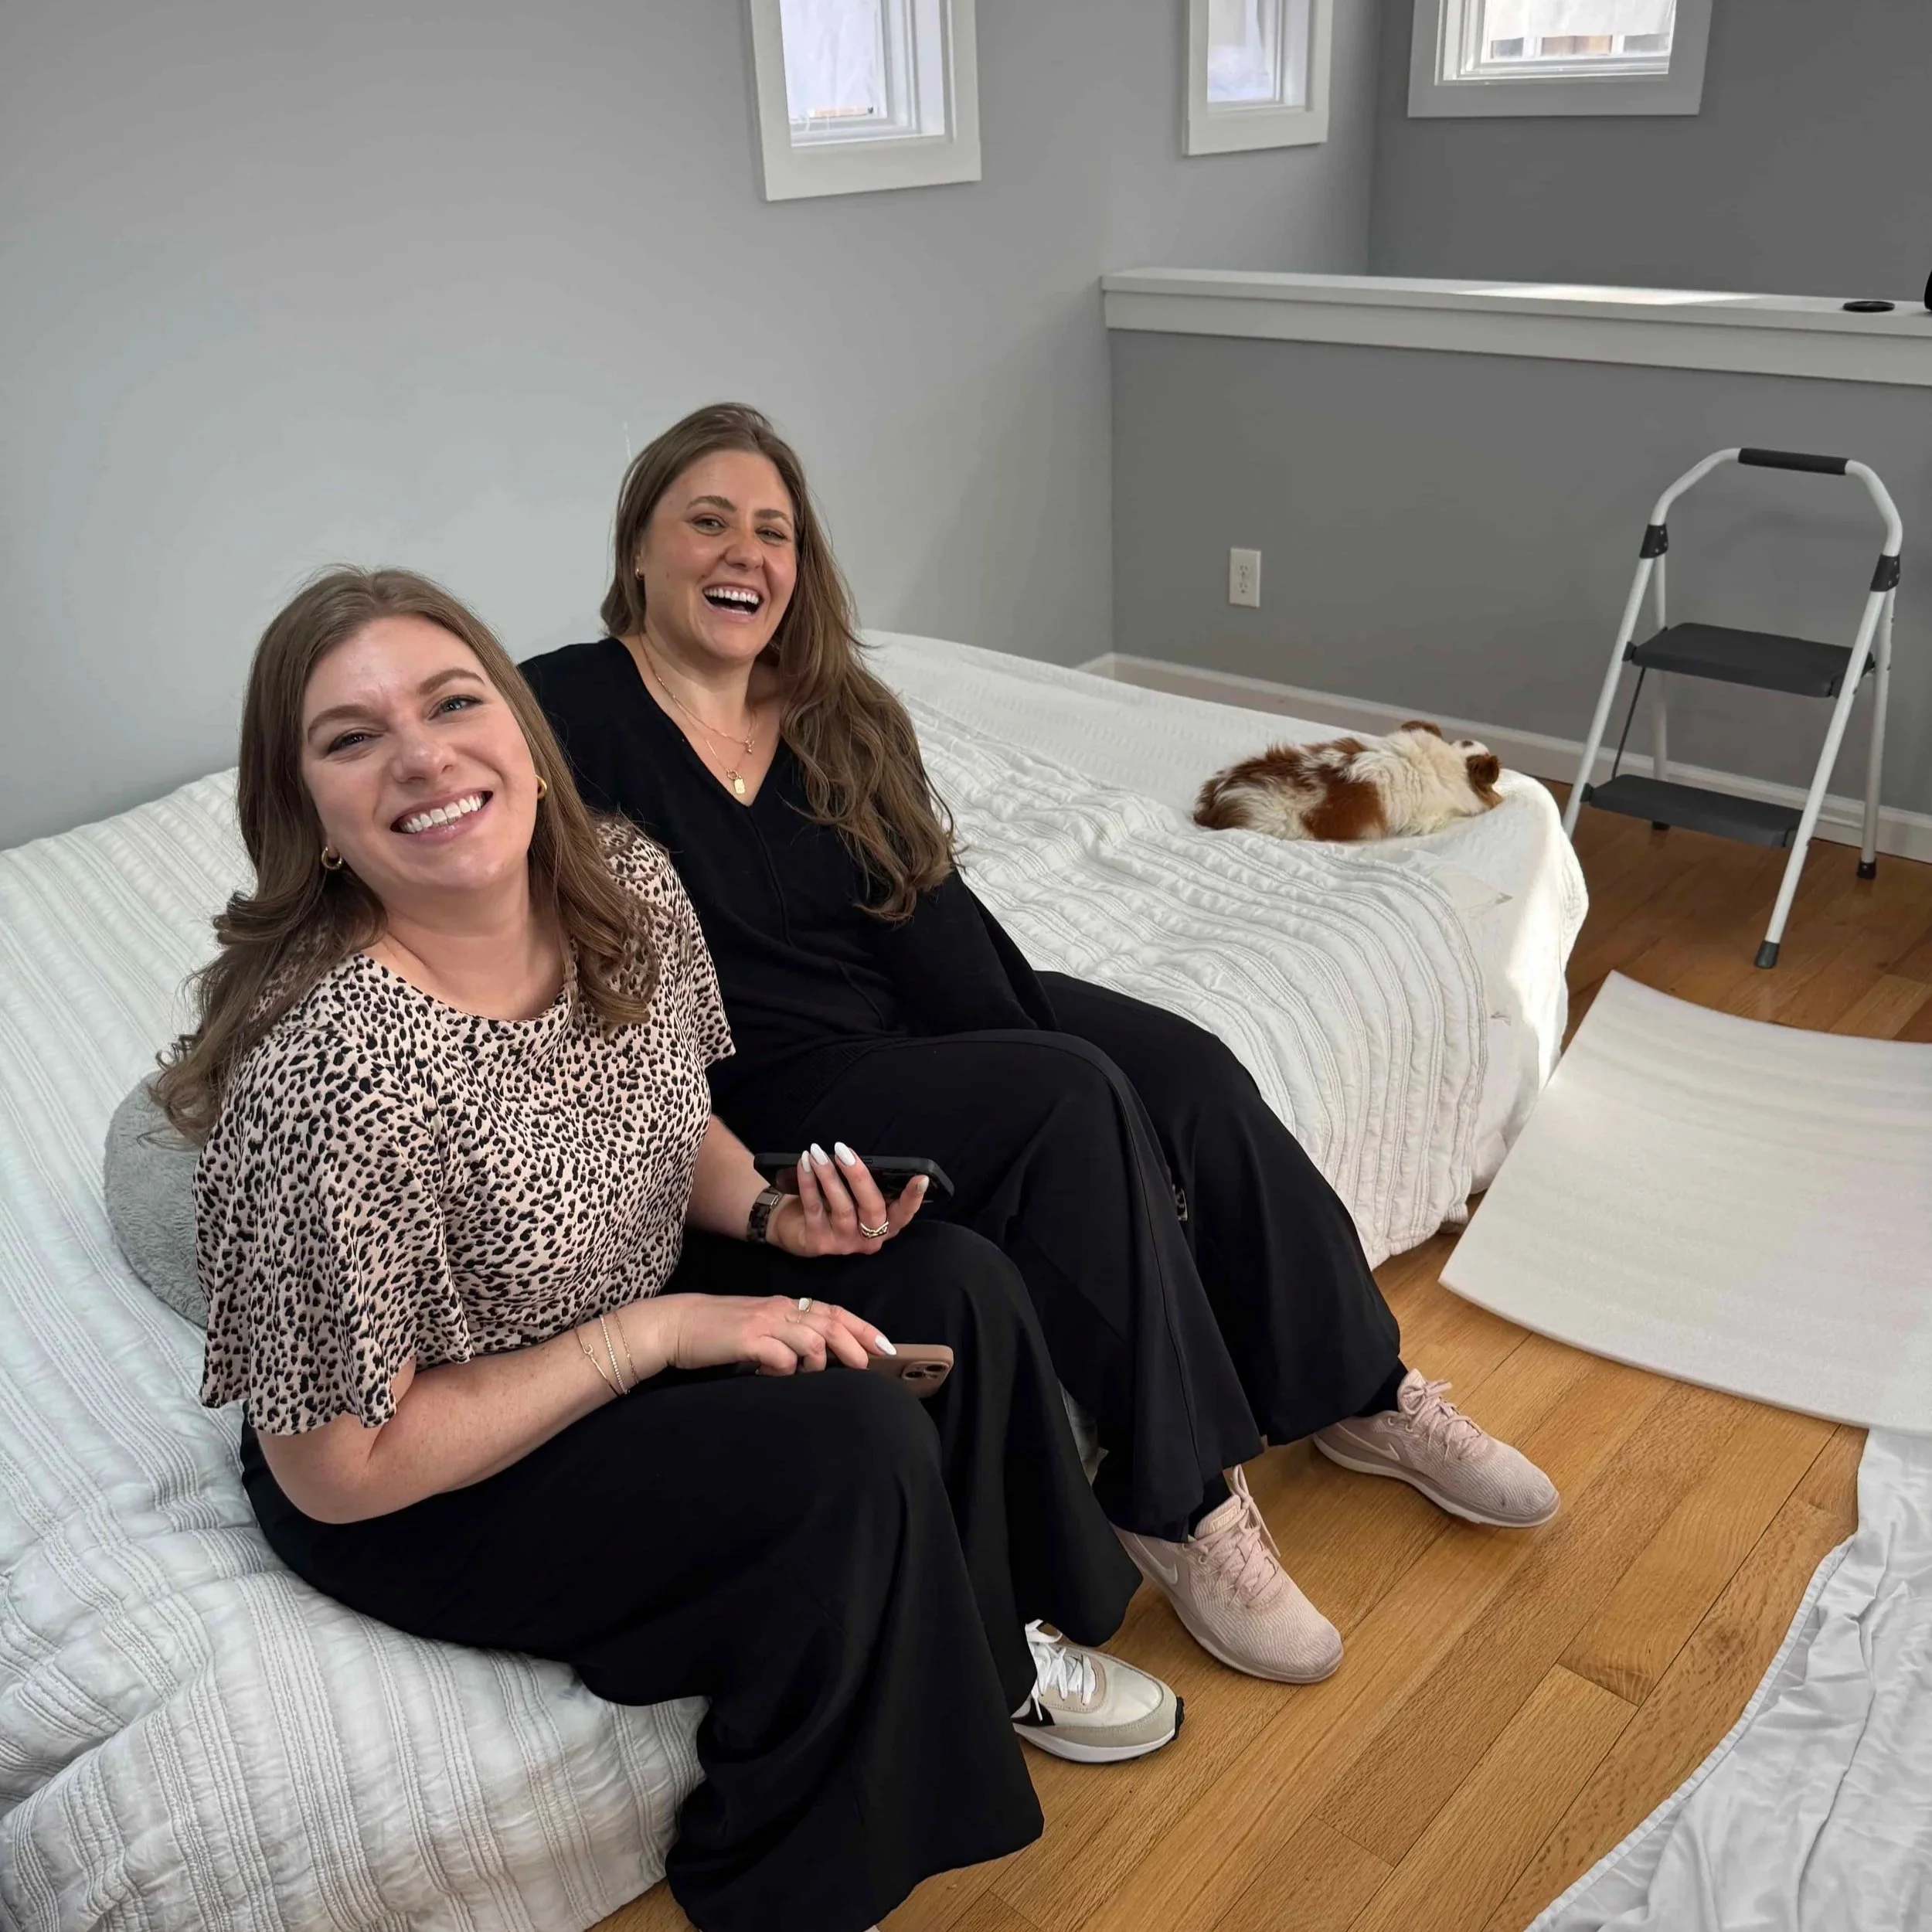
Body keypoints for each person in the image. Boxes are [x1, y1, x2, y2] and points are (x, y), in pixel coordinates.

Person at [158, 567, 1179, 1932]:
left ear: (522, 733)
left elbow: (673, 1108)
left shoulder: (620, 880)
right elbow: (342, 1472)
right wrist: (652, 1339)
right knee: (849, 1449)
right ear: (312, 818)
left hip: (616, 1301)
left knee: (955, 1286)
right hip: (434, 1465)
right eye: (353, 737)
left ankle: (987, 1650)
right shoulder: (332, 1076)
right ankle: (786, 1882)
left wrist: (766, 1213)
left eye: (456, 702)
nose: (423, 755)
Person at [520, 404, 1563, 1690]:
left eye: (774, 529)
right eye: (709, 520)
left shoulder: (837, 711)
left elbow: (930, 913)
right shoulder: (559, 715)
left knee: (1184, 1066)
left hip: (902, 1018)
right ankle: (1177, 1500)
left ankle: (1360, 1385)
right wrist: (1055, 1093)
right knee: (1067, 1094)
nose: (746, 551)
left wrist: (1056, 1068)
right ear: (639, 549)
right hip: (764, 1079)